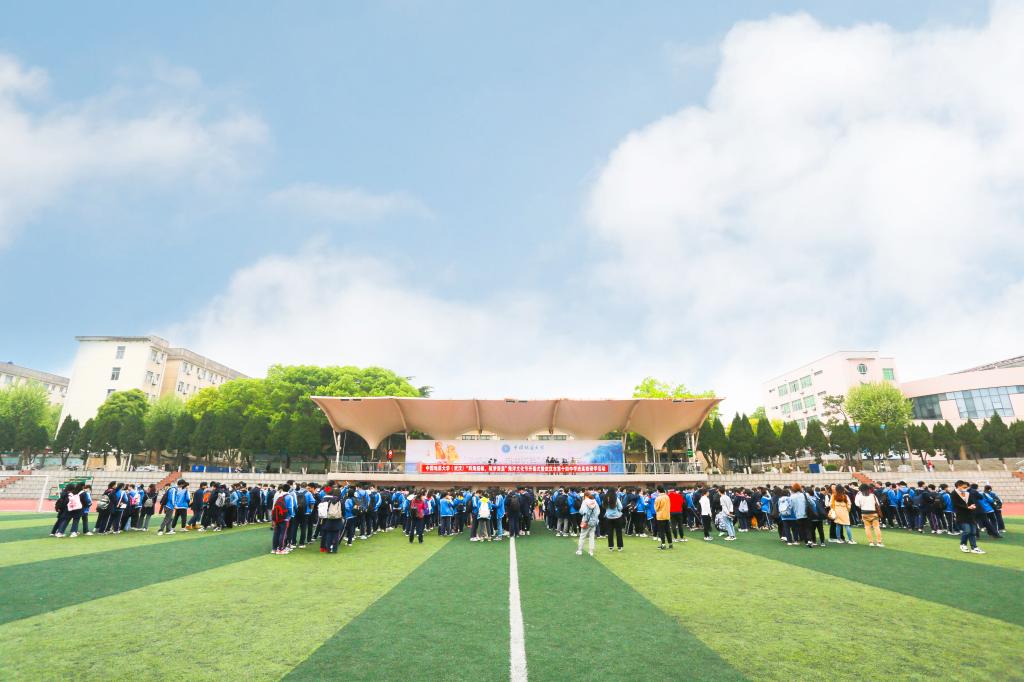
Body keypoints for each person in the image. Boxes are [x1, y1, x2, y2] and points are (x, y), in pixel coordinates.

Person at [951, 480, 985, 554]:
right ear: (958, 486)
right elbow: (955, 504)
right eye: (964, 487)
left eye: (966, 487)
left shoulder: (967, 493)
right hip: (961, 515)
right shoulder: (953, 493)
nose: (965, 488)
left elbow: (972, 502)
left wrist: (973, 506)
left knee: (973, 531)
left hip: (971, 515)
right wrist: (967, 507)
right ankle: (963, 544)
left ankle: (974, 547)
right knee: (967, 531)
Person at [576, 491, 601, 556]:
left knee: (582, 536)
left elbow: (581, 511)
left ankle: (579, 550)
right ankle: (591, 551)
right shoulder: (595, 501)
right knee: (592, 536)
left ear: (585, 496)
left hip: (586, 521)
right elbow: (598, 512)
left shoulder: (585, 502)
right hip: (594, 521)